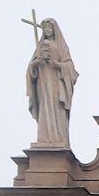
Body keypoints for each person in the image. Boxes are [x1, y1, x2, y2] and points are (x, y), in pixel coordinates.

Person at [25, 18, 78, 147]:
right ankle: (45, 139)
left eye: (49, 27)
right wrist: (37, 62)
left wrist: (57, 64)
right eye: (45, 28)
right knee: (45, 107)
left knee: (56, 107)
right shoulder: (40, 46)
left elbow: (70, 67)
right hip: (42, 84)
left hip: (56, 82)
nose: (47, 30)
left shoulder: (61, 46)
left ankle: (58, 137)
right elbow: (30, 69)